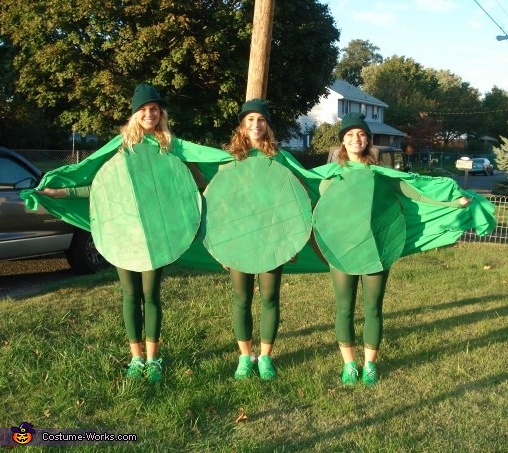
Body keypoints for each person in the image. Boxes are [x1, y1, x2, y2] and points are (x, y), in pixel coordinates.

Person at [38, 83, 193, 383]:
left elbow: (187, 182)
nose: (149, 114)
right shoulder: (121, 147)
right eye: (143, 110)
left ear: (161, 114)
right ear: (135, 115)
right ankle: (136, 359)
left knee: (151, 295)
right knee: (130, 295)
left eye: (154, 109)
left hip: (157, 234)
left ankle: (153, 359)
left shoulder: (170, 147)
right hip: (125, 233)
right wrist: (62, 191)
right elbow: (99, 185)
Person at [325, 112, 471, 387]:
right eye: (350, 135)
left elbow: (416, 191)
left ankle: (369, 365)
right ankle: (349, 365)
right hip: (342, 248)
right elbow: (314, 203)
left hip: (378, 246)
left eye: (361, 134)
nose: (356, 139)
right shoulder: (332, 175)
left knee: (373, 308)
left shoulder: (381, 173)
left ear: (367, 140)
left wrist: (452, 204)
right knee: (344, 308)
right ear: (342, 143)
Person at [222, 99, 286, 380]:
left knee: (270, 297)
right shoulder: (232, 161)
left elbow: (292, 200)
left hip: (273, 238)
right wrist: (223, 247)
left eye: (261, 120)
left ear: (268, 125)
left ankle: (266, 357)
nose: (256, 125)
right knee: (241, 298)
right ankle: (245, 357)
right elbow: (222, 205)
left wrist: (290, 240)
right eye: (250, 120)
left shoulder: (279, 159)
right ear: (242, 125)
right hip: (240, 240)